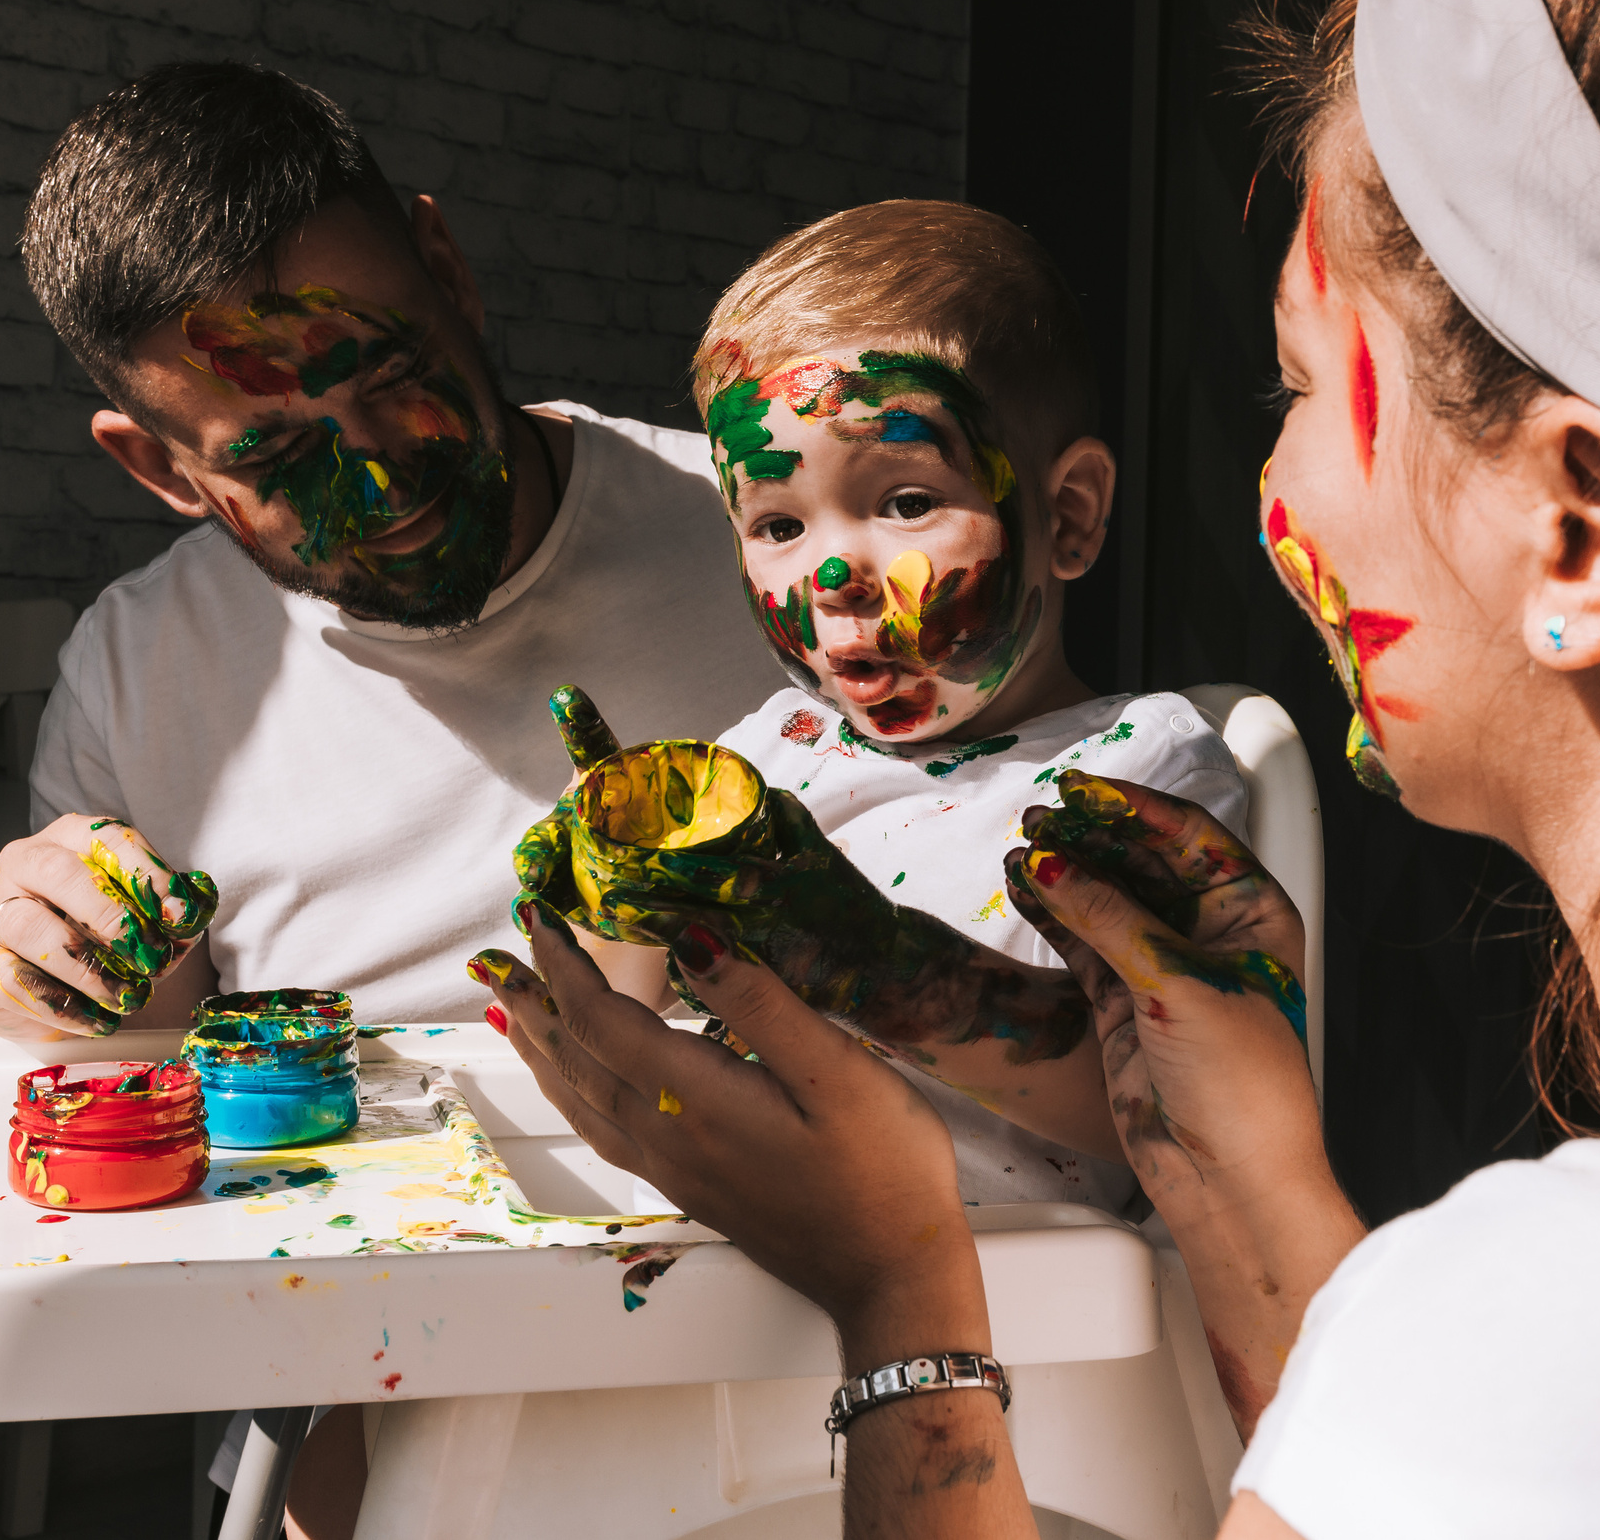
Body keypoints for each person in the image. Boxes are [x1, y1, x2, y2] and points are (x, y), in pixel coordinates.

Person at [479, 0, 1600, 1535]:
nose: (1271, 471)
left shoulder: (1583, 1352)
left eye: (1292, 383)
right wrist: (1276, 1232)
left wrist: (900, 1289)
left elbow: (1500, 1439)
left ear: (1583, 531)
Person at [0, 62, 783, 1045]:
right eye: (276, 453)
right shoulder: (136, 664)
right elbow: (137, 1056)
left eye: (395, 375)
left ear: (449, 271)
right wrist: (34, 983)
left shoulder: (783, 543)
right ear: (161, 468)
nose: (382, 478)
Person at [506, 200, 1254, 1213]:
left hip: (1018, 1293)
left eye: (905, 502)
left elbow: (1171, 1103)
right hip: (738, 1257)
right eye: (777, 523)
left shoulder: (1137, 777)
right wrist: (621, 880)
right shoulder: (775, 750)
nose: (831, 575)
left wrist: (872, 963)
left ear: (1069, 514)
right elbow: (626, 1025)